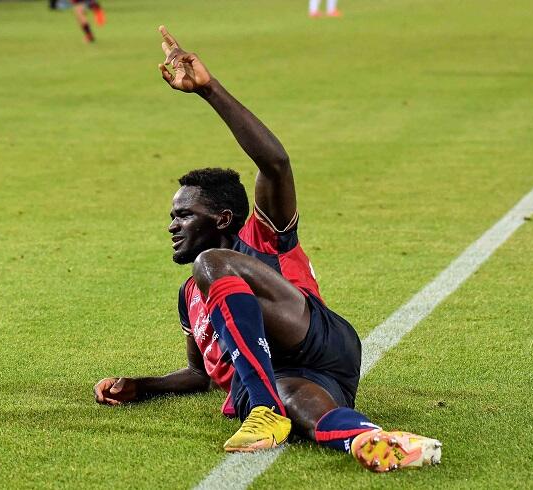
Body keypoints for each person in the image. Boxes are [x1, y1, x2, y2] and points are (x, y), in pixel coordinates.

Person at [93, 26, 442, 473]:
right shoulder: (190, 297)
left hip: (314, 339)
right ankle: (370, 439)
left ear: (221, 218)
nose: (172, 225)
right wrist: (142, 386)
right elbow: (203, 373)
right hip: (292, 378)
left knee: (212, 265)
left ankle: (264, 410)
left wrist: (209, 90)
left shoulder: (262, 238)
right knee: (299, 404)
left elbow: (275, 163)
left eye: (183, 215)